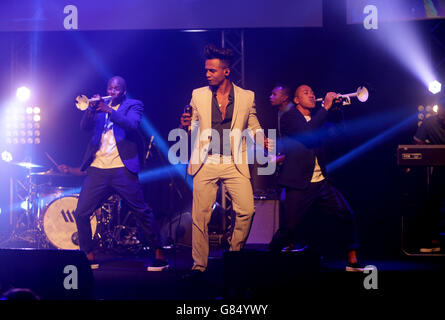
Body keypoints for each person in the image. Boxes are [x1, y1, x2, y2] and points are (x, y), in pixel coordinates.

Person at [180, 45, 271, 275]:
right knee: (201, 216)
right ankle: (199, 265)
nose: (207, 74)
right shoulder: (198, 95)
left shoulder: (246, 96)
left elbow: (253, 124)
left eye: (212, 70)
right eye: (206, 70)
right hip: (206, 160)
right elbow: (195, 125)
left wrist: (261, 139)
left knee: (247, 210)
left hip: (234, 161)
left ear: (226, 72)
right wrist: (186, 126)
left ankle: (234, 255)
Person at [74, 75, 168, 271]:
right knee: (81, 212)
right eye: (109, 88)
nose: (112, 92)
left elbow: (132, 125)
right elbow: (84, 128)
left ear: (123, 91)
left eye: (116, 89)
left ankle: (159, 252)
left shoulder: (134, 105)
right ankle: (88, 254)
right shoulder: (97, 108)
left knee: (141, 211)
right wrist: (91, 110)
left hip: (122, 169)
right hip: (98, 168)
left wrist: (108, 110)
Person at [269, 84, 363, 271]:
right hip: (298, 182)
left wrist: (337, 111)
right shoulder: (289, 117)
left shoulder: (318, 118)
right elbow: (307, 133)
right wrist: (326, 108)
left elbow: (340, 136)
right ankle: (268, 263)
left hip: (321, 182)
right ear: (296, 100)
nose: (312, 95)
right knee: (289, 228)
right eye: (306, 93)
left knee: (346, 214)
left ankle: (352, 261)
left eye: (313, 92)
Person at [413, 103, 445, 253]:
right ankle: (433, 241)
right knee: (433, 202)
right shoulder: (429, 122)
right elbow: (417, 143)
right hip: (440, 168)